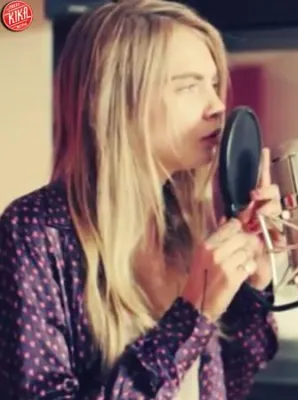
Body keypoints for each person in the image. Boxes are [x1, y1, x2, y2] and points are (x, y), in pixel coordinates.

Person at [0, 1, 280, 399]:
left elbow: (228, 382)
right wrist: (194, 312)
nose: (218, 106)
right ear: (115, 100)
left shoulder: (189, 223)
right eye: (188, 86)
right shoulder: (34, 232)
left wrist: (254, 281)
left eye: (214, 83)